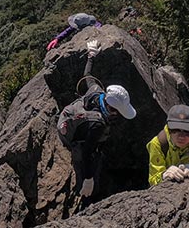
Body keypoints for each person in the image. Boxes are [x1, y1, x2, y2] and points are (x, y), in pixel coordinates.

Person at [57, 39, 136, 204]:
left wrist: (91, 56)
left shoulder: (96, 91)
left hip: (70, 119)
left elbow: (87, 76)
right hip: (76, 139)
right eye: (119, 111)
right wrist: (88, 178)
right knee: (89, 162)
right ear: (112, 108)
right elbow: (87, 152)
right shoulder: (98, 124)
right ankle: (85, 196)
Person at [147, 104, 189, 187]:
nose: (181, 136)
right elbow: (153, 180)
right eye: (175, 130)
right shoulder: (158, 144)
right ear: (169, 129)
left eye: (187, 131)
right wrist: (164, 175)